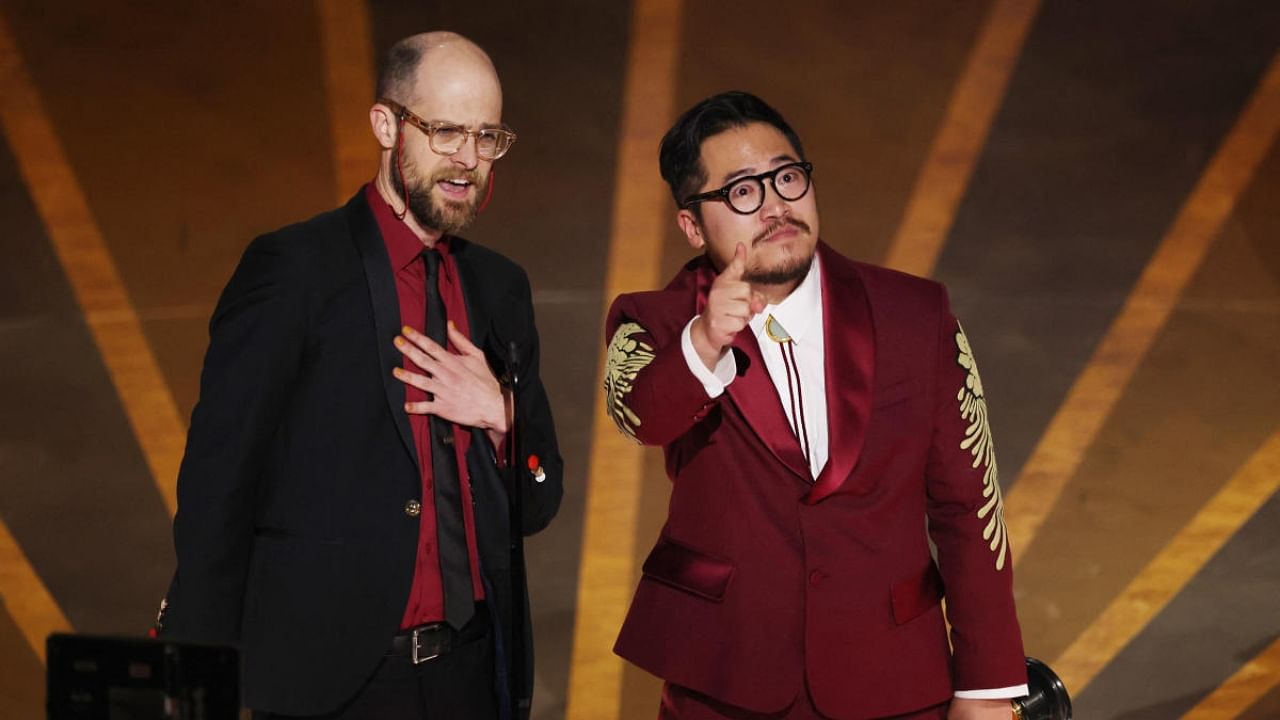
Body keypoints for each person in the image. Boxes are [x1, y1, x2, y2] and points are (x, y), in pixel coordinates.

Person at [159, 32, 563, 719]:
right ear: (386, 124)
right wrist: (197, 670)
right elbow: (217, 486)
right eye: (445, 132)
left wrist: (502, 414)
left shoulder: (500, 289)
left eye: (487, 136)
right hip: (332, 684)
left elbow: (539, 500)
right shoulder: (296, 270)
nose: (469, 160)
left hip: (472, 676)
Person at [603, 91, 1026, 720]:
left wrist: (988, 686)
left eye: (788, 178)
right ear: (693, 224)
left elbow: (970, 508)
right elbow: (639, 414)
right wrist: (705, 342)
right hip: (725, 686)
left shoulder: (916, 314)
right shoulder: (656, 323)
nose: (775, 205)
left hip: (895, 682)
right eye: (744, 191)